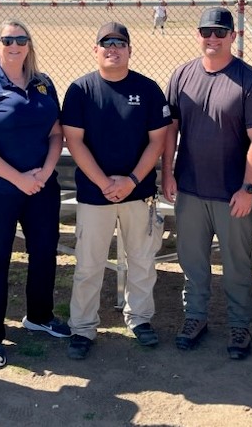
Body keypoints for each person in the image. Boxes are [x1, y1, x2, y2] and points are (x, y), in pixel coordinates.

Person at [162, 7, 252, 360]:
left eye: (220, 32)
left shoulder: (249, 80)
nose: (212, 38)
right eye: (206, 32)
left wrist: (248, 188)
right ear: (198, 35)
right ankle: (195, 317)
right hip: (190, 189)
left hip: (232, 194)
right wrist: (167, 172)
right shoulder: (182, 74)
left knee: (236, 264)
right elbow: (171, 129)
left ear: (233, 36)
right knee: (192, 261)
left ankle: (239, 325)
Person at [0, 20, 70, 369]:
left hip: (40, 185)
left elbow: (56, 132)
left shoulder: (43, 83)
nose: (14, 44)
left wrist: (47, 170)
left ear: (29, 45)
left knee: (43, 253)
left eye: (21, 39)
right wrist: (18, 178)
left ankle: (39, 315)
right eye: (7, 39)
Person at [61, 22, 171, 360]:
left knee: (141, 260)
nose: (113, 48)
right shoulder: (81, 90)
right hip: (96, 195)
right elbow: (74, 141)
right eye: (106, 43)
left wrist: (132, 180)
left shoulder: (148, 89)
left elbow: (158, 141)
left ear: (129, 50)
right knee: (89, 264)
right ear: (95, 50)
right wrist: (104, 182)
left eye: (120, 43)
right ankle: (82, 327)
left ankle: (139, 319)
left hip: (138, 193)